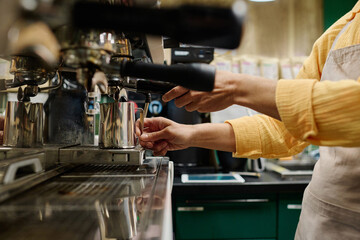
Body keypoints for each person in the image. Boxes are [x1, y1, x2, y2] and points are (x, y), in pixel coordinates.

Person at [136, 2, 360, 239]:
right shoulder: (341, 30)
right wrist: (189, 134)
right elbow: (286, 131)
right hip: (319, 220)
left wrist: (236, 87)